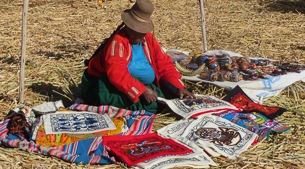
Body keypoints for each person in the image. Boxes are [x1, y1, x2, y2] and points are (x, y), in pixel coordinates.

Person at [81, 0, 195, 113]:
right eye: (135, 30)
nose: (138, 35)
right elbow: (116, 72)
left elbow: (164, 64)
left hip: (141, 85)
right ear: (127, 26)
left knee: (169, 96)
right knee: (152, 105)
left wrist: (179, 87)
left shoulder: (149, 39)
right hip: (108, 86)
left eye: (142, 31)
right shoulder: (118, 42)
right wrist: (141, 90)